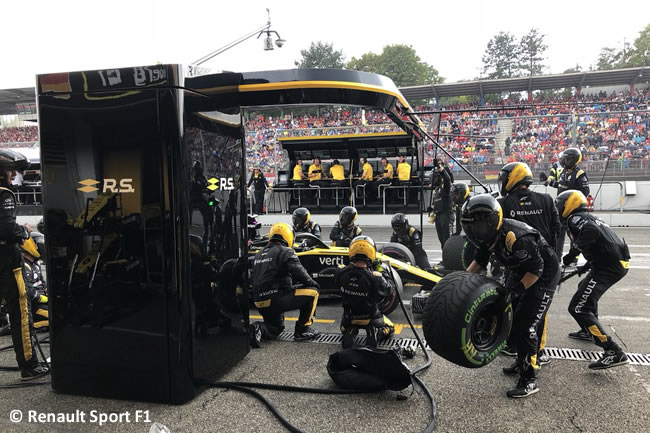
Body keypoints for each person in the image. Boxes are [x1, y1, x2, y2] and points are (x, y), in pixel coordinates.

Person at [462, 194, 559, 398]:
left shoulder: (516, 237)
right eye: (471, 226)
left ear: (492, 222)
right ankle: (520, 360)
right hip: (519, 270)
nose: (474, 231)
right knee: (511, 316)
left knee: (526, 324)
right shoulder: (487, 237)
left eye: (478, 226)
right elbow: (477, 264)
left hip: (543, 274)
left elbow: (537, 269)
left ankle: (530, 378)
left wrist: (517, 291)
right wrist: (458, 284)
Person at [555, 190, 630, 369]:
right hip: (612, 263)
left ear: (570, 204)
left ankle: (613, 351)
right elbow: (603, 243)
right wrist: (587, 265)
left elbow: (592, 232)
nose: (559, 208)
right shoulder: (589, 217)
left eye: (560, 204)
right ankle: (588, 329)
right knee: (584, 288)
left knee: (578, 307)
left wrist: (573, 253)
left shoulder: (576, 218)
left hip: (609, 267)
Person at [498, 162, 562, 364]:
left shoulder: (503, 203)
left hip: (517, 266)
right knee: (537, 314)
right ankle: (536, 353)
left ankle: (519, 350)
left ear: (513, 178)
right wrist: (555, 259)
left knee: (515, 306)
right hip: (544, 264)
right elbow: (557, 231)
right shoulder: (546, 200)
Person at [0, 149, 49, 380]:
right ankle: (29, 365)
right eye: (10, 170)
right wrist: (24, 232)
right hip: (8, 262)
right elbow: (7, 229)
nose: (13, 175)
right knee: (21, 313)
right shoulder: (4, 194)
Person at [249, 223, 321, 347]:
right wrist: (314, 284)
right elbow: (300, 274)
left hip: (259, 301)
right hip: (276, 298)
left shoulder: (258, 254)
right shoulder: (286, 251)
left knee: (276, 329)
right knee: (313, 291)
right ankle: (302, 330)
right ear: (288, 237)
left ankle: (257, 328)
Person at [335, 236, 395, 348]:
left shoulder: (340, 271)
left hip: (349, 317)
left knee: (344, 327)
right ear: (372, 253)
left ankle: (350, 330)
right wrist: (381, 270)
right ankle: (375, 332)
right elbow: (390, 289)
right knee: (390, 328)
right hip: (371, 316)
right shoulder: (375, 278)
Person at [549, 148, 589, 257]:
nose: (563, 162)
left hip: (573, 210)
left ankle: (574, 258)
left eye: (566, 159)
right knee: (558, 233)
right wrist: (550, 182)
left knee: (573, 234)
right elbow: (561, 185)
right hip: (561, 209)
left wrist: (574, 200)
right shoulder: (563, 172)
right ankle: (557, 257)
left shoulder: (579, 174)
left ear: (573, 160)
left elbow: (585, 191)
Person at [21, 236, 48, 331]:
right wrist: (43, 299)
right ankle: (30, 327)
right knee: (55, 319)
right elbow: (29, 291)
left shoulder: (35, 265)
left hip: (44, 303)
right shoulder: (24, 266)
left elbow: (43, 283)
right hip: (35, 306)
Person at [428, 159, 453, 249]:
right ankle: (445, 259)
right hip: (438, 216)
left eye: (434, 177)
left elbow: (447, 179)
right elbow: (437, 201)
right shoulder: (436, 190)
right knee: (442, 240)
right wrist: (431, 207)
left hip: (446, 215)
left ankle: (450, 259)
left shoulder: (445, 187)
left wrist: (439, 167)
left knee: (447, 239)